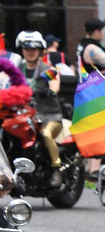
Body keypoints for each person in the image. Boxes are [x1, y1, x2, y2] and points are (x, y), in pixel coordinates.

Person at [13, 32, 64, 183]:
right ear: (20, 50)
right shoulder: (16, 69)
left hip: (47, 116)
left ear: (40, 50)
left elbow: (55, 84)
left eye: (34, 48)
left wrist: (49, 90)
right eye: (26, 48)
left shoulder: (47, 69)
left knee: (45, 134)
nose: (30, 51)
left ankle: (56, 168)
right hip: (21, 114)